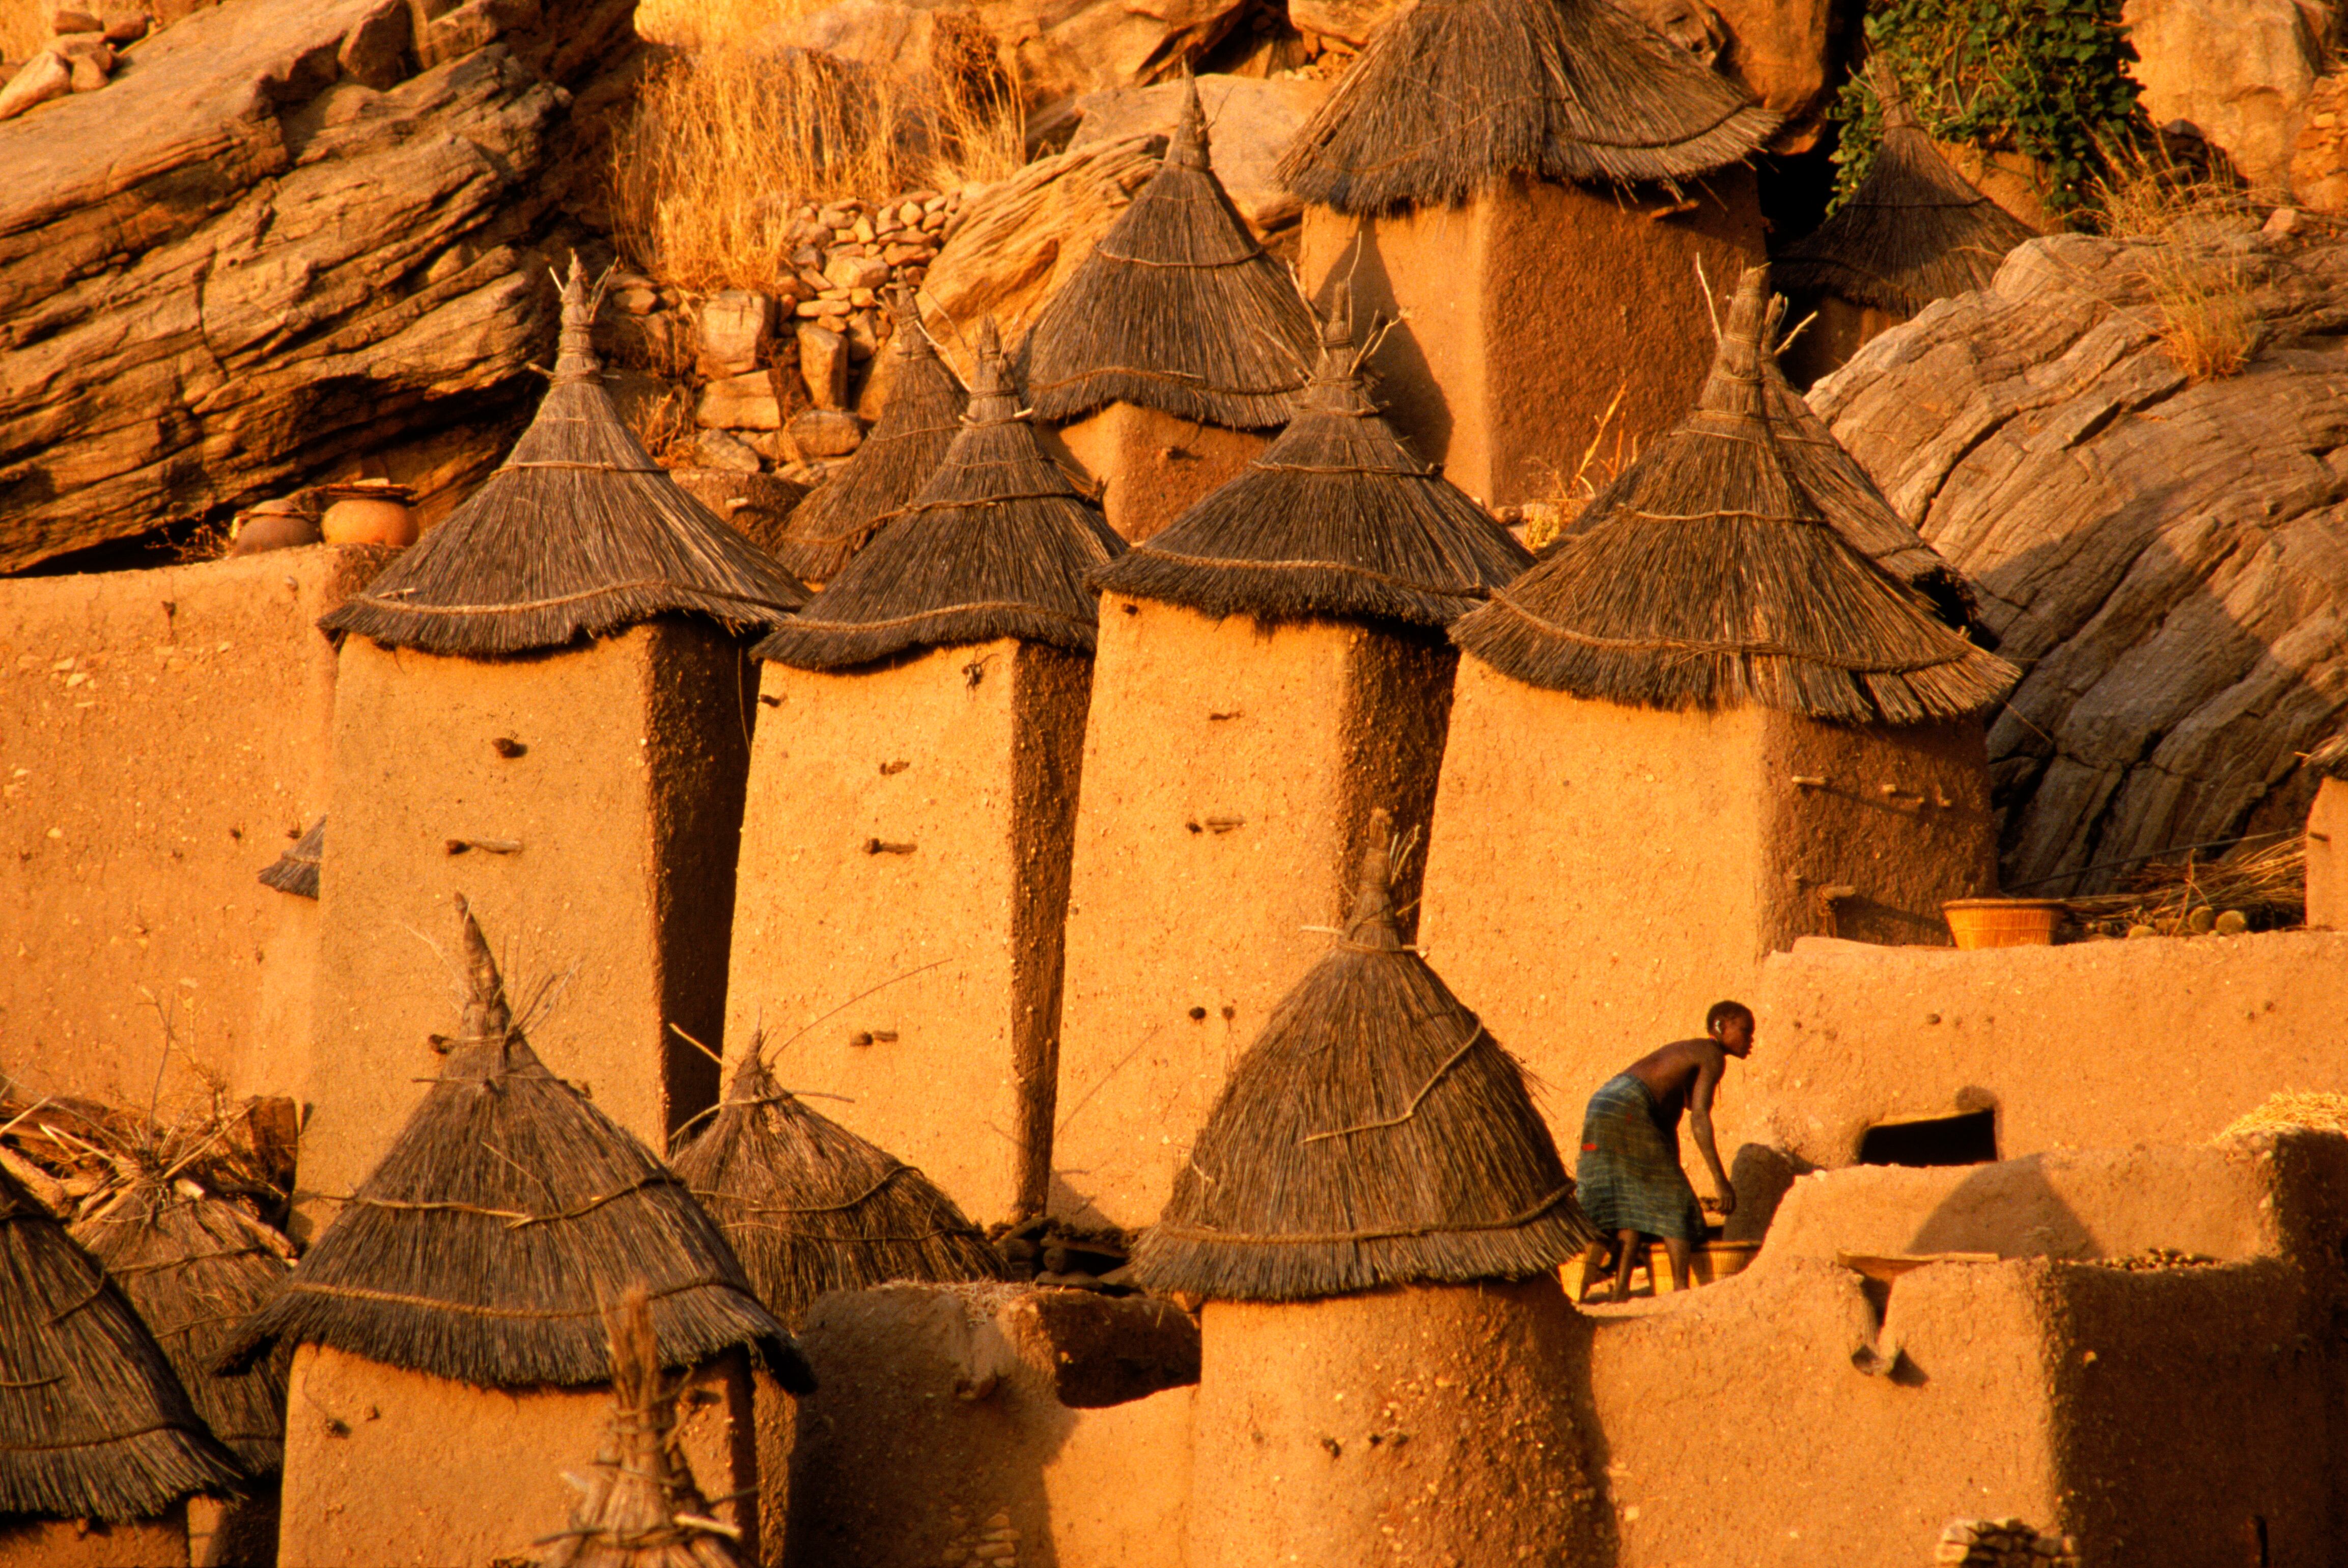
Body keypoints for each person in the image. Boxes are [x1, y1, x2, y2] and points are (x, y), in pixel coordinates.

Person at [1575, 1001, 1754, 1303]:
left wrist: (1673, 1168)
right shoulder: (1711, 1054)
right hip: (1631, 1105)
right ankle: (1680, 1291)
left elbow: (1666, 1131)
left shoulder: (1687, 1055)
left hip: (1605, 1102)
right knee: (1676, 1202)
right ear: (1721, 1026)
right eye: (1746, 1031)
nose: (1751, 1041)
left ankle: (1620, 1291)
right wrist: (1720, 1180)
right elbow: (1699, 1117)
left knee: (1630, 1203)